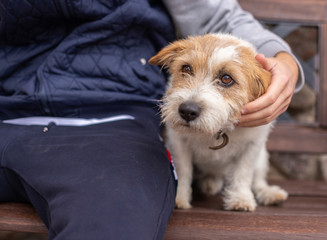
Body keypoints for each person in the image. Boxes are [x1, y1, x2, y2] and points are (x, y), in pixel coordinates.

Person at [0, 0, 303, 239]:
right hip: (8, 108)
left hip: (111, 117)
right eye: (185, 70)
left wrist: (284, 62)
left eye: (224, 79)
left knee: (112, 219)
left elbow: (218, 17)